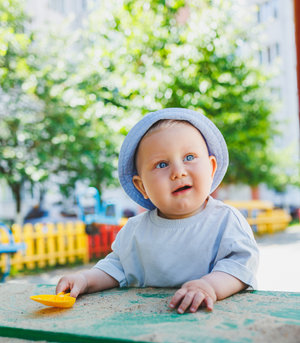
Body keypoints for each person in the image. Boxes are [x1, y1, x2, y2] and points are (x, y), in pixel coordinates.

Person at [56, 108, 259, 314]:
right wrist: (85, 279)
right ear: (141, 186)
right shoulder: (135, 230)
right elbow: (117, 267)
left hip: (212, 320)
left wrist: (209, 286)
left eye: (189, 157)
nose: (178, 172)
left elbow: (240, 265)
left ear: (211, 167)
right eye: (162, 164)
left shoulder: (225, 221)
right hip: (148, 322)